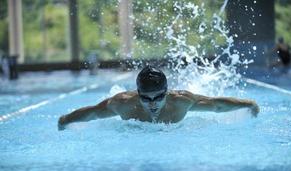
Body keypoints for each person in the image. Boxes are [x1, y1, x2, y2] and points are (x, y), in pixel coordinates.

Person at [58, 66, 259, 130]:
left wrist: (248, 104)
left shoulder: (181, 101)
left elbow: (216, 106)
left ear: (166, 92)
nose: (152, 104)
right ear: (138, 94)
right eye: (146, 98)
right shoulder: (123, 104)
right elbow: (93, 113)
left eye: (158, 97)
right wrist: (65, 120)